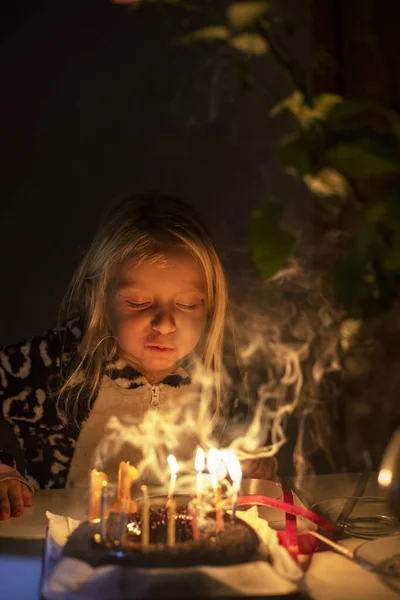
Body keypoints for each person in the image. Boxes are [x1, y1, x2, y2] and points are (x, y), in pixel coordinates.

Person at [0, 192, 277, 521]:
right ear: (95, 298)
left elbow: (249, 452)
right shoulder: (56, 365)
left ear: (210, 304)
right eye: (138, 302)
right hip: (72, 546)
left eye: (187, 304)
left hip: (185, 548)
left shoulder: (225, 375)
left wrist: (253, 464)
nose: (165, 324)